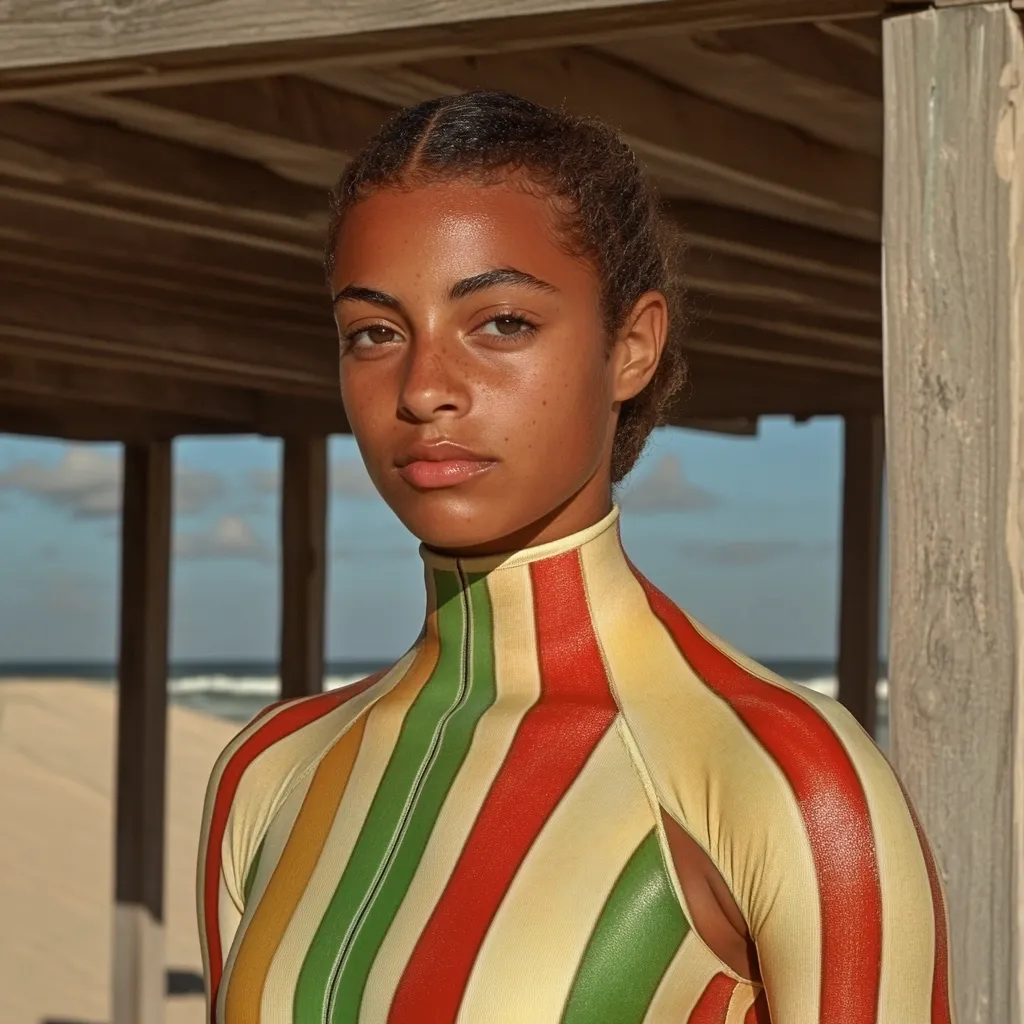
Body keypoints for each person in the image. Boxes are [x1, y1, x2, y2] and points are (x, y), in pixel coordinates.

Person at [197, 92, 953, 1024]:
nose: (425, 388)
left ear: (631, 346)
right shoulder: (266, 773)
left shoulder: (786, 779)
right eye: (375, 333)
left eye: (501, 323)